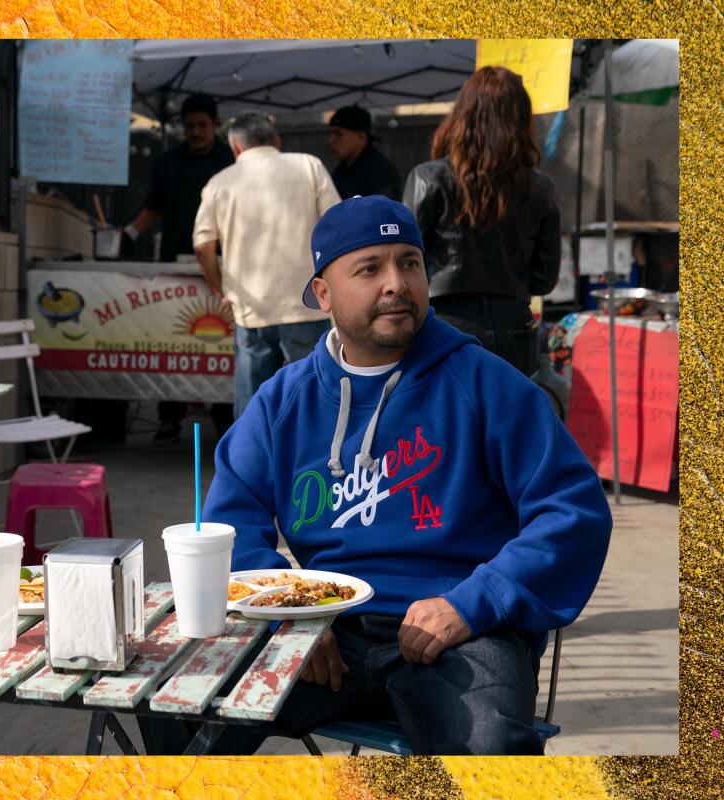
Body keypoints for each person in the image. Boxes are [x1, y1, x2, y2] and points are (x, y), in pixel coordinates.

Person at [141, 196, 611, 756]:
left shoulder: (487, 383)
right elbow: (230, 523)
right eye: (370, 269)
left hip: (461, 629)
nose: (396, 283)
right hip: (323, 628)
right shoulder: (282, 402)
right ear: (323, 293)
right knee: (170, 700)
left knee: (492, 748)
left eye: (409, 263)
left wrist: (474, 602)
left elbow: (574, 510)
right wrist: (286, 611)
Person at [402, 66, 561, 379]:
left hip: (442, 329)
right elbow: (544, 280)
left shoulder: (428, 178)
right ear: (521, 120)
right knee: (507, 426)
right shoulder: (540, 187)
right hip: (514, 331)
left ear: (462, 114)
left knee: (448, 426)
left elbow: (403, 262)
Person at [192, 111, 341, 417]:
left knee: (253, 406)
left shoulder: (219, 183)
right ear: (276, 140)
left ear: (236, 147)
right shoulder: (308, 165)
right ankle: (313, 462)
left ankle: (251, 464)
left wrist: (223, 290)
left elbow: (203, 247)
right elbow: (336, 227)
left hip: (251, 310)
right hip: (306, 305)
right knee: (314, 400)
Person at [125, 93, 235, 445]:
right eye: (190, 126)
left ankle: (224, 419)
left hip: (221, 265)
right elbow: (153, 209)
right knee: (173, 342)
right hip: (174, 262)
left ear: (216, 125)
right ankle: (169, 418)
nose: (196, 132)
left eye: (203, 125)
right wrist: (128, 233)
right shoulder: (168, 162)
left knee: (218, 344)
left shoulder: (231, 161)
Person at [326, 105, 402, 200]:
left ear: (361, 137)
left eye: (338, 134)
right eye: (329, 133)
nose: (330, 141)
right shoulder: (342, 170)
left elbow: (383, 212)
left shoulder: (380, 172)